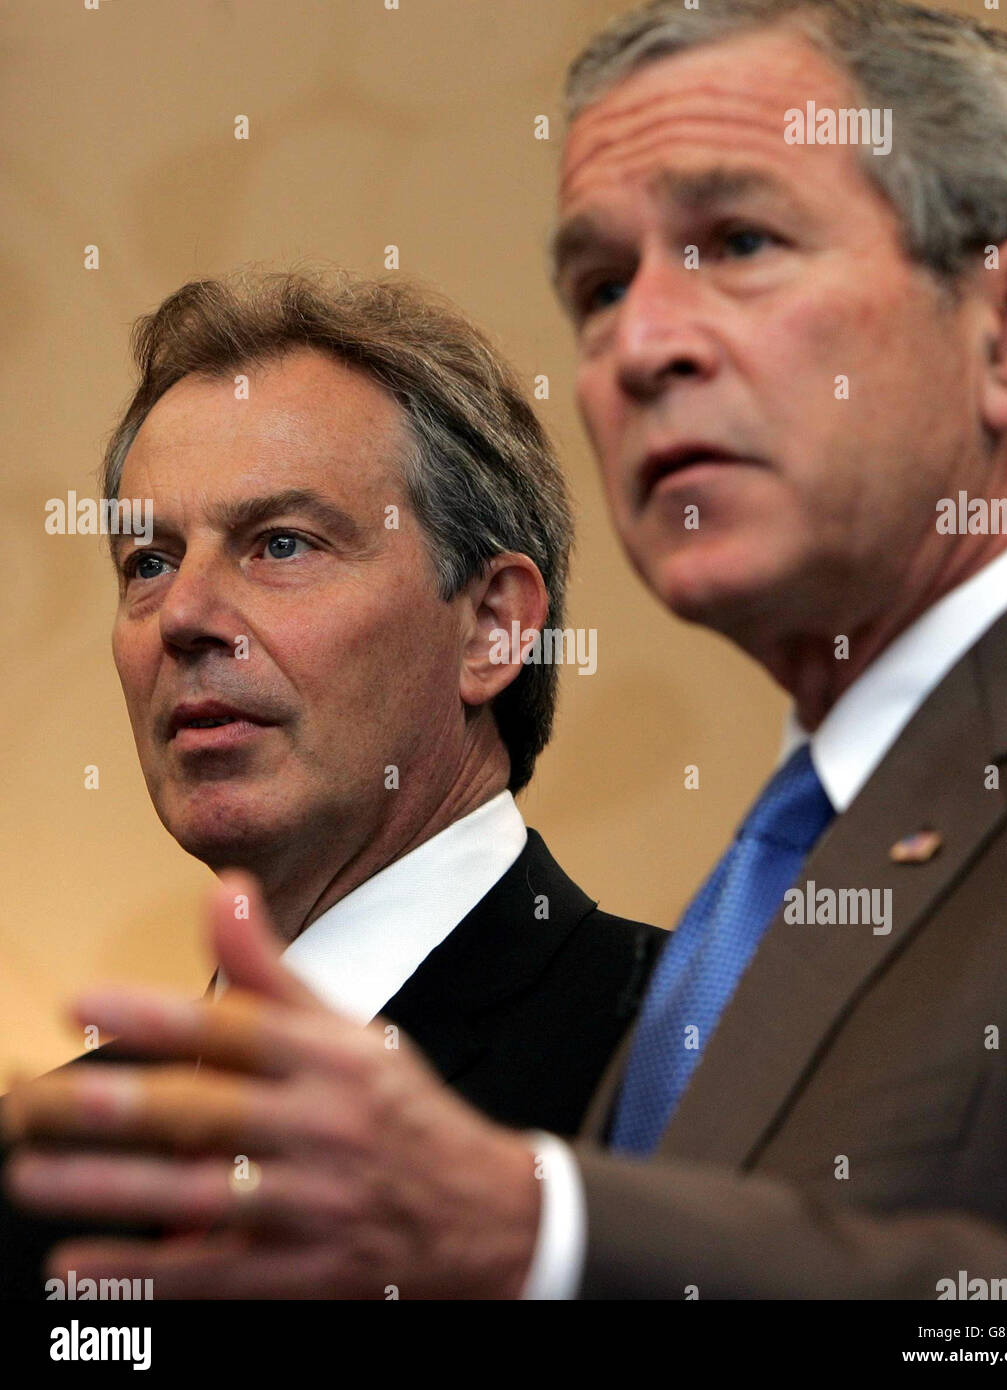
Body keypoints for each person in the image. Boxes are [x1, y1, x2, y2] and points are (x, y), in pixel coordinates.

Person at [8, 0, 1007, 1299]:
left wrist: (543, 1238)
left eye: (738, 241)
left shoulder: (653, 1014)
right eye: (598, 287)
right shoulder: (807, 879)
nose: (635, 344)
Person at [0, 270, 663, 1298]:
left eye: (280, 544)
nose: (183, 615)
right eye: (148, 560)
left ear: (491, 626)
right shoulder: (48, 1160)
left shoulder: (702, 1050)